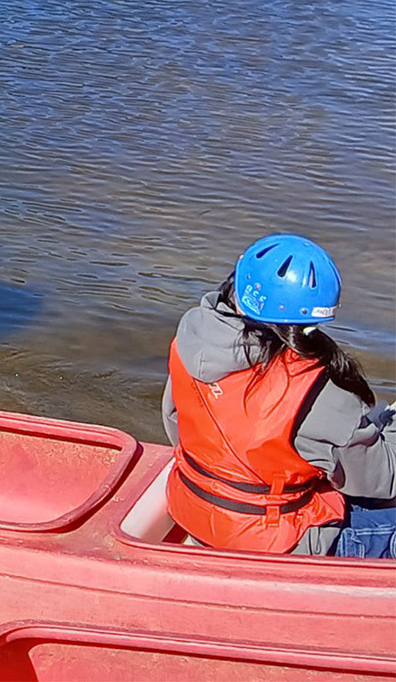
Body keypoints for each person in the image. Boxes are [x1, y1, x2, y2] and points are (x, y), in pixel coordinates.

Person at [162, 234, 395, 558]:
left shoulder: (191, 337)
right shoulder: (313, 390)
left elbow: (176, 425)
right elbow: (382, 480)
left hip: (192, 507)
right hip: (280, 540)